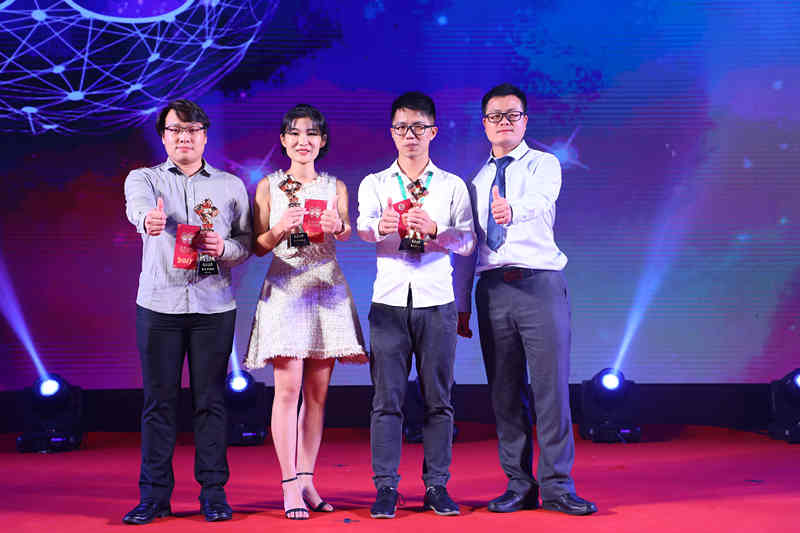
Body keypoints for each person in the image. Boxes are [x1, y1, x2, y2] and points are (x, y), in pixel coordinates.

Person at [453, 83, 596, 515]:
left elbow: (541, 200)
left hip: (539, 285)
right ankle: (519, 483)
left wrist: (511, 211)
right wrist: (462, 303)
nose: (504, 122)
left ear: (525, 121)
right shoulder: (475, 182)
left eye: (512, 115)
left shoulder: (543, 165)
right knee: (504, 392)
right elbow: (469, 248)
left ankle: (558, 486)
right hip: (493, 290)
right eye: (495, 116)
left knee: (551, 389)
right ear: (484, 124)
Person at [122, 99, 252, 524]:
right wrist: (149, 221)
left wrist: (224, 248)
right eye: (176, 130)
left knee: (211, 401)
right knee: (158, 402)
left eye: (193, 130)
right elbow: (138, 208)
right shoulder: (144, 178)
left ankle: (213, 494)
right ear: (164, 137)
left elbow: (246, 242)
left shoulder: (230, 186)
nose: (184, 137)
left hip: (213, 305)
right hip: (159, 304)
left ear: (205, 137)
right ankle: (154, 497)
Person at [244, 104, 367, 520]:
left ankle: (307, 479)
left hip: (326, 288)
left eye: (312, 133)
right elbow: (257, 246)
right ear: (283, 140)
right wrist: (280, 227)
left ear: (322, 141)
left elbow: (346, 231)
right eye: (295, 134)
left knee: (317, 394)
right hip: (284, 288)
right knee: (287, 389)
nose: (303, 141)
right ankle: (287, 484)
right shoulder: (268, 186)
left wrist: (338, 226)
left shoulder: (336, 186)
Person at [357, 91, 475, 519]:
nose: (411, 135)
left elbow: (467, 241)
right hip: (389, 300)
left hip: (436, 301)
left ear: (433, 132)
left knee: (439, 400)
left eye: (419, 127)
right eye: (402, 127)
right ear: (392, 133)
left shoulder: (451, 185)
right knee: (386, 399)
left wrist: (437, 228)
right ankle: (386, 486)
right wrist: (380, 226)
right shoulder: (375, 183)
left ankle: (437, 485)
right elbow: (362, 228)